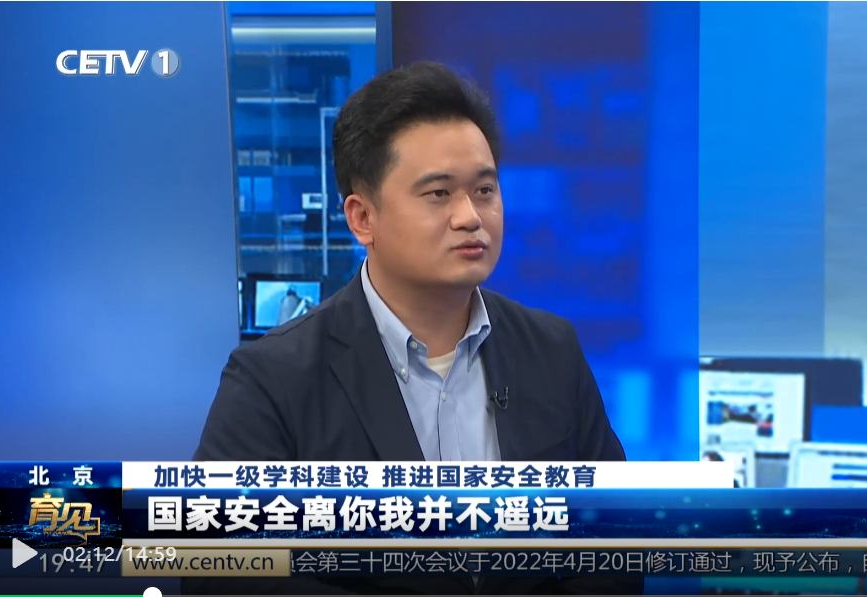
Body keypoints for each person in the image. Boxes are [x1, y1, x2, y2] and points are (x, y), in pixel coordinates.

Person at [184, 62, 640, 595]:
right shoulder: (273, 379)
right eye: (439, 194)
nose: (470, 216)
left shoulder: (552, 351)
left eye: (484, 190)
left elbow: (614, 548)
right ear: (362, 219)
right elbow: (219, 574)